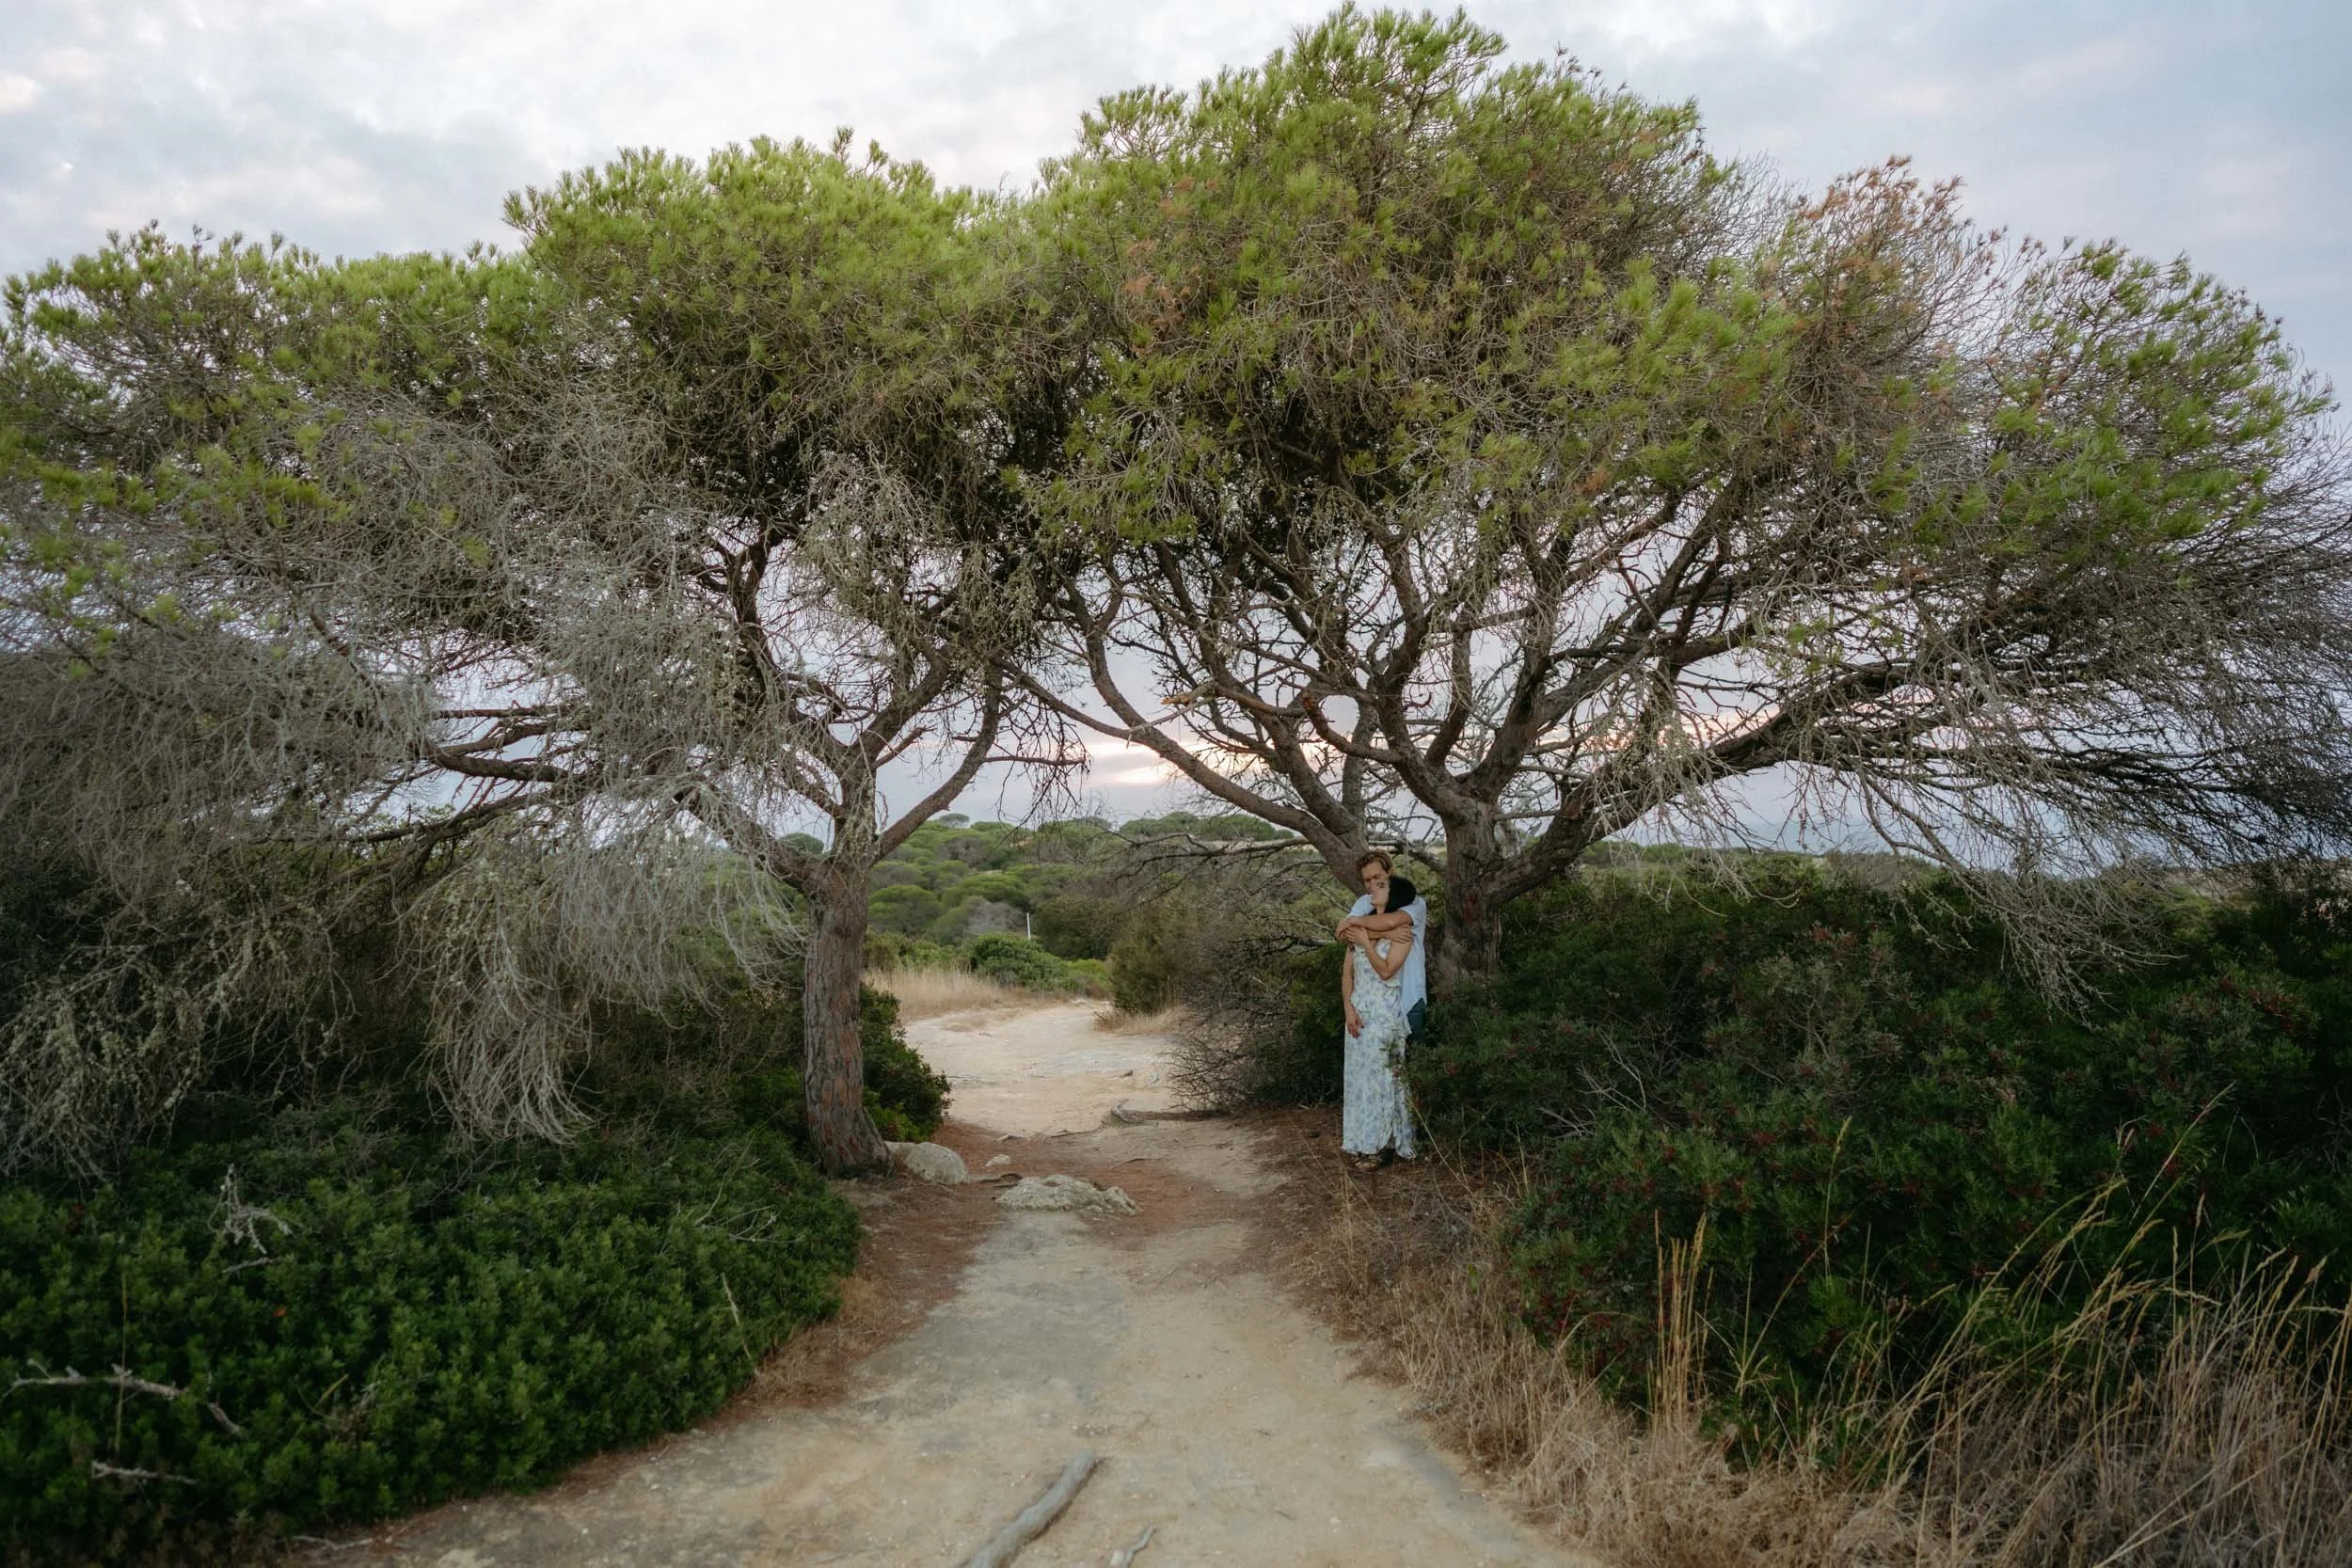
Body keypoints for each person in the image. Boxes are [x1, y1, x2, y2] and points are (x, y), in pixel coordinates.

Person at [1336, 851, 1422, 1169]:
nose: (1372, 890)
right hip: (1360, 1010)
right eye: (1369, 885)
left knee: (1384, 1079)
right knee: (1360, 1080)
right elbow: (1348, 973)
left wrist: (1367, 942)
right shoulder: (1366, 921)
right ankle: (1362, 1140)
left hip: (1386, 1012)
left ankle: (1382, 1144)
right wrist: (1348, 1008)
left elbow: (1386, 971)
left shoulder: (1404, 932)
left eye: (1380, 885)